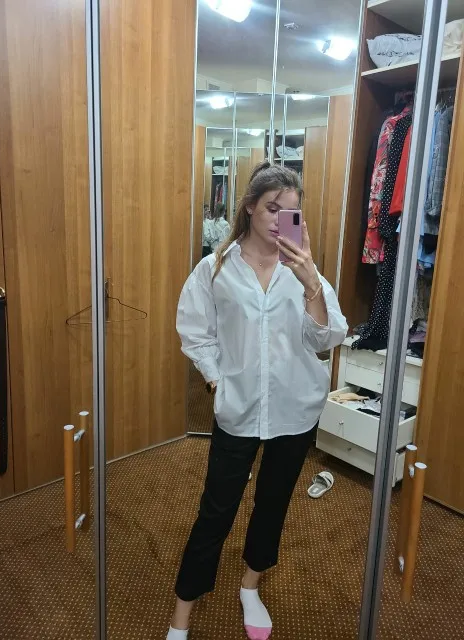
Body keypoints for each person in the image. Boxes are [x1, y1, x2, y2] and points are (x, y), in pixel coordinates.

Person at [168, 162, 348, 640]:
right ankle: (181, 616)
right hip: (239, 407)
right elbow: (195, 331)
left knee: (273, 504)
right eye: (272, 209)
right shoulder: (215, 268)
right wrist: (216, 381)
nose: (279, 221)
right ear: (249, 207)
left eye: (291, 213)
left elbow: (327, 337)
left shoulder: (304, 272)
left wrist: (311, 282)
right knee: (216, 510)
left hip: (295, 408)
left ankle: (250, 585)